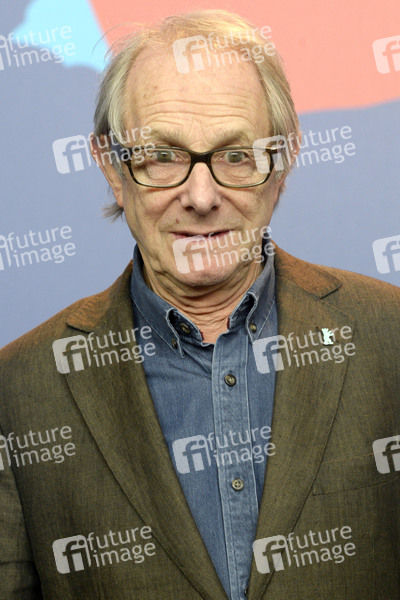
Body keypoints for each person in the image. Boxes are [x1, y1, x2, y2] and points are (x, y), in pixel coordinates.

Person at [0, 9, 399, 600]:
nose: (202, 196)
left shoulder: (389, 336)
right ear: (112, 167)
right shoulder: (18, 388)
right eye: (162, 156)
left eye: (235, 156)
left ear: (282, 160)